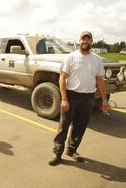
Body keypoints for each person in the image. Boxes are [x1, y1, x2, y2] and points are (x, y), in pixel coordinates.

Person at [48, 31, 110, 166]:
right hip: (71, 95)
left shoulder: (97, 60)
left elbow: (100, 80)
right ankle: (57, 153)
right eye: (83, 39)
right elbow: (62, 78)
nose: (86, 41)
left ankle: (72, 150)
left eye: (88, 39)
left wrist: (104, 100)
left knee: (80, 127)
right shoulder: (71, 57)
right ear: (80, 41)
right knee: (63, 126)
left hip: (88, 97)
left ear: (91, 42)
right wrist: (64, 99)